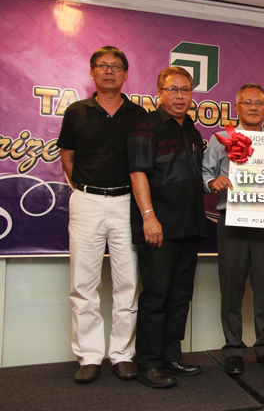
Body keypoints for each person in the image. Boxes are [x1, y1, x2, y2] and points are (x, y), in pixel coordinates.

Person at [57, 46, 146, 383]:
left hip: (126, 203)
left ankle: (122, 354)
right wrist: (85, 188)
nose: (109, 71)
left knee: (127, 283)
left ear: (125, 73)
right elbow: (68, 157)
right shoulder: (77, 111)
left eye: (116, 66)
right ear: (92, 71)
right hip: (87, 201)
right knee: (83, 283)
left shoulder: (138, 114)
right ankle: (89, 356)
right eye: (102, 66)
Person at [128, 67, 208, 388]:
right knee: (156, 297)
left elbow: (195, 177)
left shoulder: (192, 131)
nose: (179, 96)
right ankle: (148, 364)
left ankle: (171, 357)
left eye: (185, 90)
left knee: (179, 296)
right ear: (159, 92)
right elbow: (138, 173)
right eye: (173, 90)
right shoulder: (146, 126)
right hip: (159, 225)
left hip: (190, 225)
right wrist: (148, 216)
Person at [202, 83, 264, 375]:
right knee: (231, 287)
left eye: (258, 103)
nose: (252, 107)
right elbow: (204, 173)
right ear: (236, 108)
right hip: (231, 221)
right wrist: (213, 183)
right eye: (246, 102)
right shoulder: (221, 139)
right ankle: (234, 350)